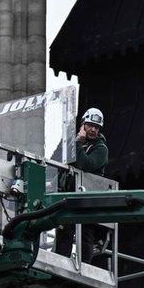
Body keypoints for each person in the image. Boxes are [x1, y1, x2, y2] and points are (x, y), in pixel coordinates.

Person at [54, 107, 109, 262]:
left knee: (86, 233)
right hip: (69, 195)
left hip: (88, 198)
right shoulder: (72, 143)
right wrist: (73, 141)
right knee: (64, 229)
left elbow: (86, 164)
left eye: (96, 127)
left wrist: (78, 143)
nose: (93, 129)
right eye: (90, 125)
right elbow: (57, 158)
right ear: (83, 124)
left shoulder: (100, 148)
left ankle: (85, 266)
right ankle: (60, 262)